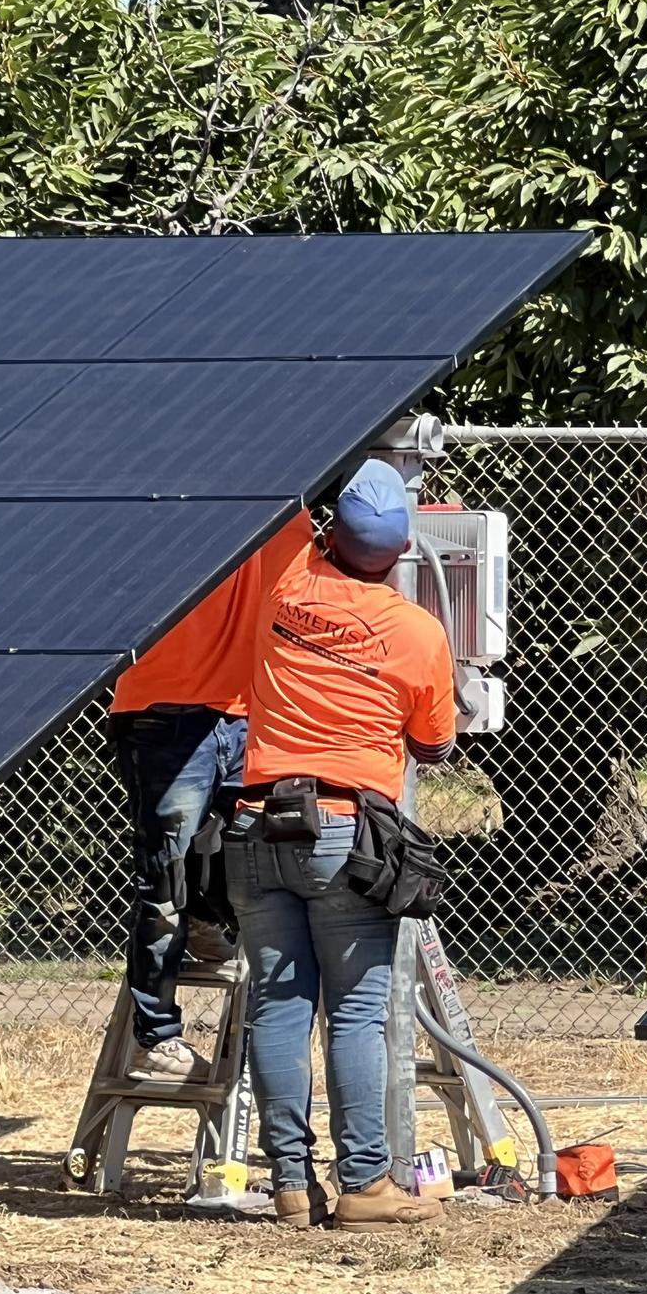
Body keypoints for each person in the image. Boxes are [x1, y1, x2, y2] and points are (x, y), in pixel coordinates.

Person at [227, 459, 457, 1231]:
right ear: (400, 552)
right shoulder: (418, 632)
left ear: (330, 532)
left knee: (278, 1005)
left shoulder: (280, 584)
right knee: (356, 1014)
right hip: (345, 832)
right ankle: (365, 1184)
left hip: (256, 822)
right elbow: (433, 744)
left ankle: (290, 1186)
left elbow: (286, 499)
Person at [108, 511, 313, 1082]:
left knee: (252, 847)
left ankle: (206, 922)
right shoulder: (170, 501)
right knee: (165, 874)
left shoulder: (289, 509)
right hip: (165, 709)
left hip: (244, 710)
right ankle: (156, 1035)